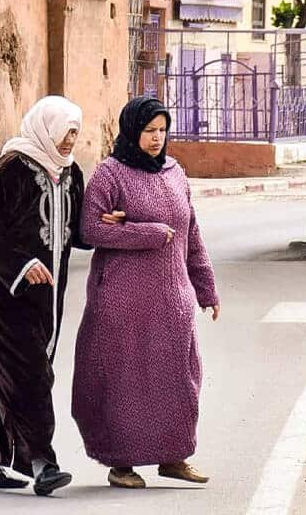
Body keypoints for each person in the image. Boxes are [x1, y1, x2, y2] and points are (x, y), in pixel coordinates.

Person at [71, 96, 221, 489]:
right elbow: (90, 230)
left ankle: (174, 456)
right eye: (148, 131)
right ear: (131, 131)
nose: (156, 139)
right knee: (125, 381)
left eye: (161, 130)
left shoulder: (174, 171)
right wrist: (147, 232)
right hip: (122, 300)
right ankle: (121, 464)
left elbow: (192, 235)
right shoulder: (109, 175)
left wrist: (206, 289)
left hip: (172, 299)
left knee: (178, 377)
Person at [0, 95, 89, 496]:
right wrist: (18, 265)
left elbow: (76, 232)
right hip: (4, 289)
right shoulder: (14, 167)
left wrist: (109, 224)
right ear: (46, 127)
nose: (70, 139)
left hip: (49, 294)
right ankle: (42, 462)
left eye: (75, 132)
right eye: (65, 130)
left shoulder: (71, 174)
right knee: (32, 372)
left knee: (17, 373)